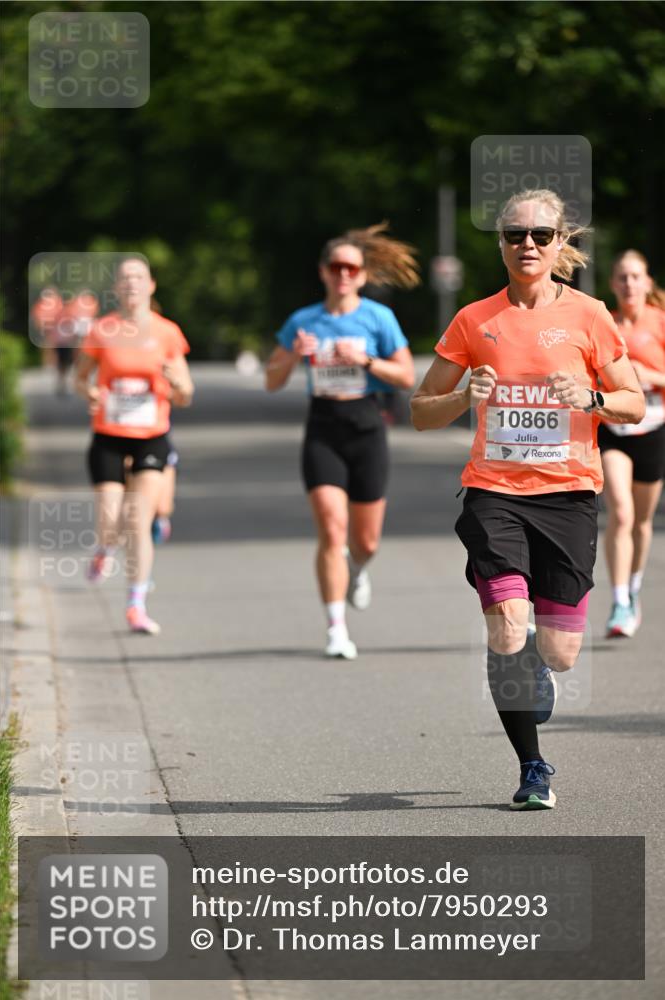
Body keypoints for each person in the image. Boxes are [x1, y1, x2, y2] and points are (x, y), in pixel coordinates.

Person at [411, 189, 644, 810]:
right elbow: (419, 412)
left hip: (568, 494)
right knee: (509, 631)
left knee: (559, 655)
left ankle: (541, 658)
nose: (528, 244)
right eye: (516, 234)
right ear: (501, 243)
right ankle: (532, 766)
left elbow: (636, 403)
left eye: (541, 235)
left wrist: (590, 399)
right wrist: (464, 396)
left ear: (560, 243)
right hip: (494, 492)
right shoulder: (474, 320)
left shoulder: (592, 315)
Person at [265, 224, 418, 659]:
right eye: (336, 267)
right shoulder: (303, 320)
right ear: (324, 272)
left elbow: (406, 376)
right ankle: (336, 628)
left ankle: (358, 569)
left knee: (365, 542)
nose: (344, 274)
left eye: (352, 268)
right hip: (323, 428)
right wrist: (294, 354)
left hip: (367, 426)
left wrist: (366, 359)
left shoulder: (377, 318)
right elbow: (272, 381)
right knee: (332, 530)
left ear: (363, 274)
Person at [74, 257, 194, 634]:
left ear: (151, 286)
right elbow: (81, 379)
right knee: (111, 521)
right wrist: (89, 392)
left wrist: (178, 383)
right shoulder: (100, 330)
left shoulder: (167, 332)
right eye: (124, 279)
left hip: (151, 437)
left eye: (138, 278)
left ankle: (136, 603)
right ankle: (104, 548)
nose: (131, 284)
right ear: (115, 289)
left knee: (138, 520)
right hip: (109, 435)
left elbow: (187, 395)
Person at [599, 251, 665, 637]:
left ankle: (634, 588)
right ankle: (620, 599)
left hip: (653, 429)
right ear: (613, 284)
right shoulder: (604, 323)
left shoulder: (659, 323)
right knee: (621, 514)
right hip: (613, 430)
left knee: (641, 522)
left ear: (647, 282)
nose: (629, 284)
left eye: (635, 277)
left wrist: (648, 374)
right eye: (622, 277)